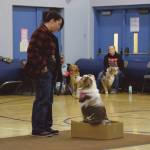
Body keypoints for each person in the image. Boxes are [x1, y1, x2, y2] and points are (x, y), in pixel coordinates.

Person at [24, 11, 64, 136]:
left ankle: (46, 126)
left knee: (48, 100)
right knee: (42, 99)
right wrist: (43, 67)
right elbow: (32, 52)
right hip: (43, 72)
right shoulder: (40, 33)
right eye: (58, 24)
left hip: (50, 71)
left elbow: (45, 52)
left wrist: (55, 59)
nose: (59, 27)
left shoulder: (48, 34)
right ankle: (38, 128)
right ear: (52, 20)